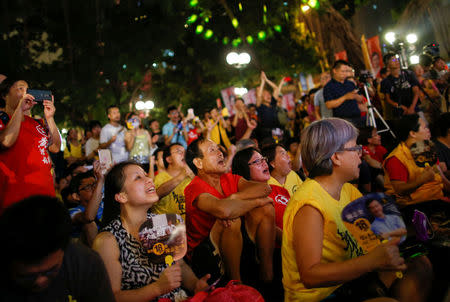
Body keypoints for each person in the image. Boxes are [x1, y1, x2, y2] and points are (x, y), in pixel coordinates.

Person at [282, 118, 432, 301]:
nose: (360, 154)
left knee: (419, 265)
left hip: (349, 280)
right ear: (336, 157)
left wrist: (404, 232)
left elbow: (373, 232)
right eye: (355, 148)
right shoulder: (309, 206)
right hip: (321, 295)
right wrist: (371, 262)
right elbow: (310, 275)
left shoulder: (347, 190)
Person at [93, 161, 210, 302]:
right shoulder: (107, 240)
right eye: (138, 178)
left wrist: (196, 285)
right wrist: (157, 288)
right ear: (122, 196)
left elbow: (179, 266)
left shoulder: (162, 222)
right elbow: (110, 297)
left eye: (146, 175)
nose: (149, 179)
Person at [184, 138, 275, 283]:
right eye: (212, 150)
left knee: (266, 208)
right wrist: (256, 201)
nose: (220, 153)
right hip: (204, 255)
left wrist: (234, 196)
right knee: (230, 220)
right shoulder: (194, 187)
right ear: (198, 163)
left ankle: (267, 273)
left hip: (235, 240)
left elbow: (265, 188)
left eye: (218, 149)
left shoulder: (229, 178)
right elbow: (224, 210)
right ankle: (236, 284)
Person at [0, 195, 115, 301]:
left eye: (50, 271)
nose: (40, 281)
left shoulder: (85, 262)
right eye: (28, 276)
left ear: (64, 249)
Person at [0, 78, 61, 211]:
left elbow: (55, 147)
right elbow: (6, 141)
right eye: (20, 89)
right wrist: (19, 110)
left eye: (27, 90)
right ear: (4, 95)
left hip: (46, 196)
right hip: (17, 200)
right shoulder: (2, 119)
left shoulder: (37, 122)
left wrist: (50, 118)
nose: (25, 93)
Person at [383, 114, 450, 215]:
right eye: (425, 127)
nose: (429, 130)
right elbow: (400, 190)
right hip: (414, 206)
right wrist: (422, 180)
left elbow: (443, 181)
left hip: (437, 199)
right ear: (413, 133)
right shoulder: (396, 158)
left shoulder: (428, 150)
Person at [151, 143, 194, 220]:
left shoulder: (190, 179)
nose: (184, 155)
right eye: (179, 152)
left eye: (185, 152)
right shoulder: (160, 178)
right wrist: (183, 175)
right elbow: (156, 195)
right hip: (167, 229)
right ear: (169, 159)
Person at [68, 162, 105, 247]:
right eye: (88, 187)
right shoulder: (74, 212)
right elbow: (88, 217)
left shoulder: (104, 203)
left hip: (111, 241)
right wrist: (100, 182)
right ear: (76, 196)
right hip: (90, 252)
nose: (95, 189)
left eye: (95, 185)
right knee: (89, 224)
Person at [324, 60, 364, 126]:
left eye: (346, 71)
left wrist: (355, 96)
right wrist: (345, 97)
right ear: (335, 71)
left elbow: (361, 99)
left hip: (358, 117)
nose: (345, 73)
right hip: (343, 121)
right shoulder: (328, 87)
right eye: (342, 71)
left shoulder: (350, 83)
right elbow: (329, 105)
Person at [256, 71, 281, 140]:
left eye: (269, 94)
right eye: (265, 94)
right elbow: (259, 95)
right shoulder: (260, 106)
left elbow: (276, 88)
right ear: (261, 97)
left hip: (277, 130)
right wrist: (263, 82)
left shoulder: (273, 104)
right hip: (266, 133)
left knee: (280, 145)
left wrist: (266, 79)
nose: (268, 96)